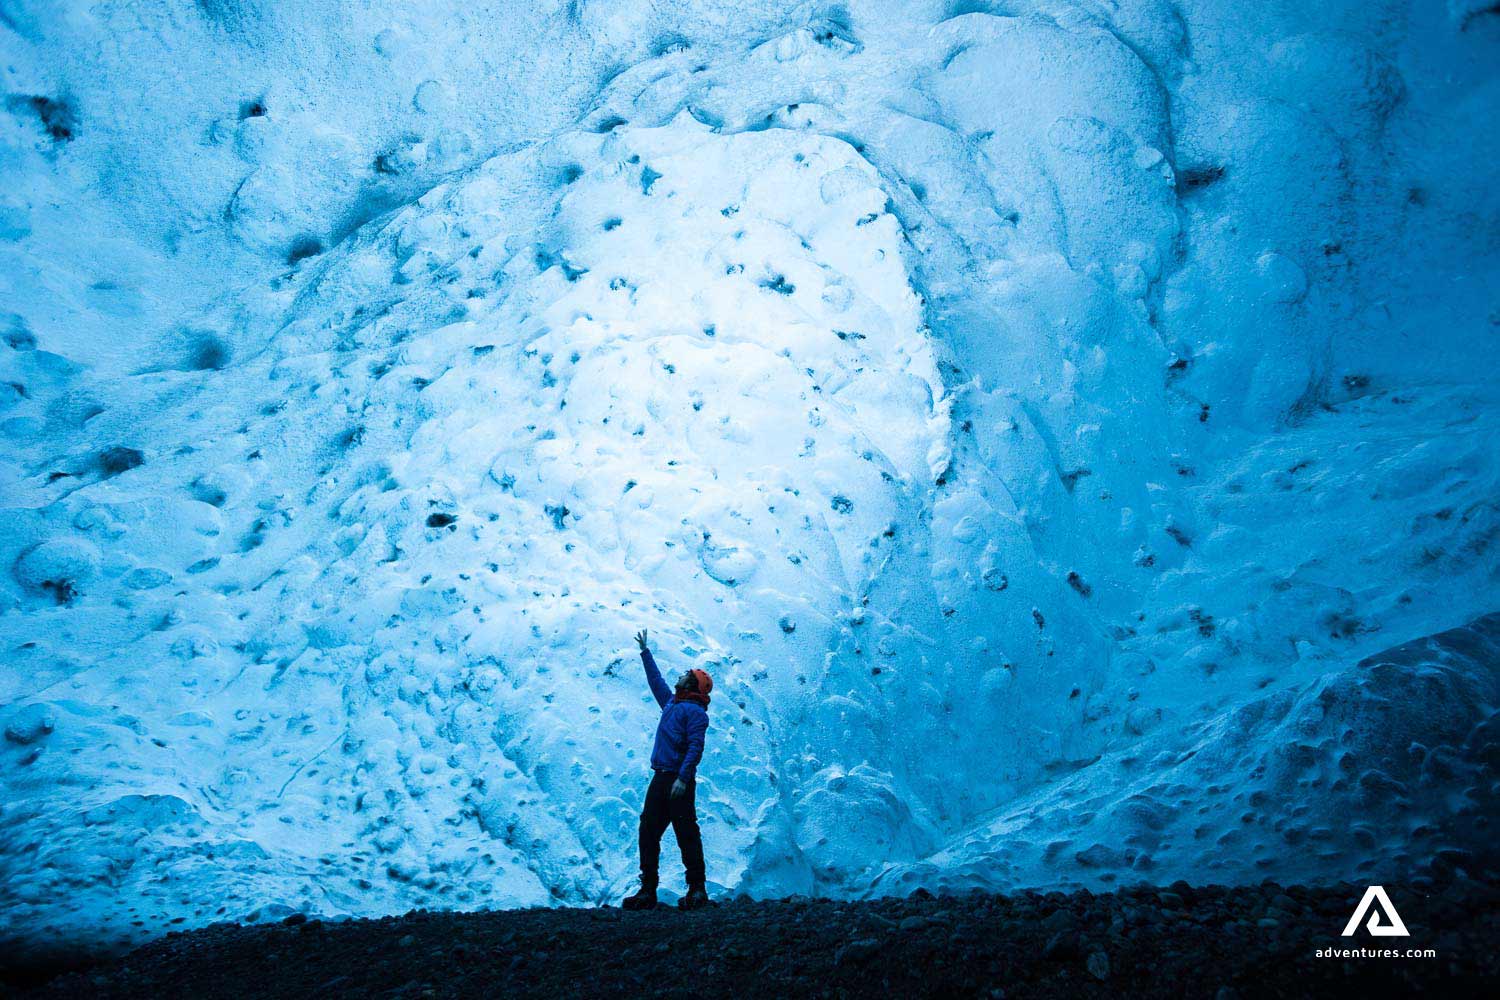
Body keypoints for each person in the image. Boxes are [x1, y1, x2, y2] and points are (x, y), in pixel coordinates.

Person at [622, 628, 713, 911]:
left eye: (688, 675)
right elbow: (655, 681)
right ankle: (649, 889)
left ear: (694, 686)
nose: (682, 676)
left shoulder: (695, 712)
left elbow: (695, 748)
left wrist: (683, 778)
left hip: (675, 780)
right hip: (662, 777)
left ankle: (695, 889)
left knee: (685, 832)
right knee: (650, 831)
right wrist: (645, 652)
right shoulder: (673, 703)